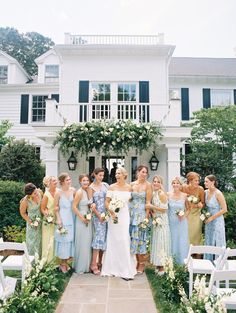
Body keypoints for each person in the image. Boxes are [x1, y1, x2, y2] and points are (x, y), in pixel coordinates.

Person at [101, 167, 136, 280]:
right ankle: (112, 267)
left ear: (124, 175)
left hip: (124, 216)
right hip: (113, 216)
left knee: (124, 238)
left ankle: (125, 268)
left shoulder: (129, 188)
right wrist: (111, 212)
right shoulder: (112, 187)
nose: (117, 175)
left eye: (119, 173)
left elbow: (131, 202)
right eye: (116, 173)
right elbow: (106, 202)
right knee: (114, 239)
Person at [130, 165, 152, 273]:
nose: (144, 174)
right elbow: (128, 199)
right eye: (142, 172)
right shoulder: (132, 184)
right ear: (138, 172)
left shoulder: (148, 185)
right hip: (132, 214)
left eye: (146, 172)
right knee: (133, 238)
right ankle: (135, 261)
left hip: (142, 214)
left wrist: (146, 218)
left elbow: (148, 203)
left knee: (142, 239)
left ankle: (141, 263)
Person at [148, 175, 171, 274]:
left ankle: (162, 266)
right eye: (154, 181)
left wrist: (151, 206)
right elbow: (154, 209)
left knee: (162, 241)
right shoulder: (154, 193)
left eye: (158, 182)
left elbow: (165, 209)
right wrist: (152, 214)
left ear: (161, 183)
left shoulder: (161, 193)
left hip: (163, 220)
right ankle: (158, 265)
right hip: (156, 219)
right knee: (157, 241)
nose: (156, 183)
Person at [89, 168, 109, 275]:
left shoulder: (106, 185)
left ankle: (100, 262)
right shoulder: (91, 188)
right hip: (97, 217)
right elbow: (90, 204)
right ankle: (93, 264)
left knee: (104, 239)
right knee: (98, 238)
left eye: (102, 175)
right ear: (95, 175)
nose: (101, 177)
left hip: (106, 216)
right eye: (99, 175)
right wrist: (99, 215)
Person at [54, 172, 75, 273]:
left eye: (70, 179)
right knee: (63, 241)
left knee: (69, 241)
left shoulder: (73, 191)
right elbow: (55, 208)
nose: (69, 181)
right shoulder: (58, 193)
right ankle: (62, 263)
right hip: (62, 218)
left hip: (72, 218)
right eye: (67, 180)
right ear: (62, 182)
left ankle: (66, 262)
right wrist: (58, 219)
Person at [72, 174, 93, 274]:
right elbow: (74, 207)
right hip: (81, 219)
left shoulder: (87, 191)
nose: (86, 182)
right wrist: (82, 218)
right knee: (82, 242)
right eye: (83, 180)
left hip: (88, 218)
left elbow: (89, 204)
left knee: (87, 242)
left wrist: (91, 208)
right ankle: (80, 266)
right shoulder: (80, 192)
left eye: (87, 180)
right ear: (80, 181)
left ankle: (87, 266)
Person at [204, 175, 227, 260]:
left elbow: (224, 209)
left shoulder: (218, 193)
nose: (205, 183)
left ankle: (220, 264)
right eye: (204, 181)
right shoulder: (205, 192)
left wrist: (212, 218)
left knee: (218, 241)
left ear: (213, 182)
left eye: (206, 181)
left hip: (217, 220)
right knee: (209, 241)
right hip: (208, 221)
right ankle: (208, 263)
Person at [167, 177, 189, 264]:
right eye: (174, 183)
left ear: (180, 185)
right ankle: (171, 262)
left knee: (182, 241)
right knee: (172, 240)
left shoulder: (184, 195)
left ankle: (182, 262)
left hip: (181, 222)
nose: (175, 185)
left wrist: (184, 216)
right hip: (171, 221)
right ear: (172, 184)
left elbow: (188, 209)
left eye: (177, 183)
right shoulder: (168, 194)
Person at [182, 172, 205, 247]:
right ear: (190, 181)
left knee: (196, 235)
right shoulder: (184, 187)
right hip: (186, 214)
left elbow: (203, 203)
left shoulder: (200, 189)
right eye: (196, 180)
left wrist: (200, 205)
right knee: (186, 234)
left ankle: (198, 255)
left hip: (196, 216)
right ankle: (186, 254)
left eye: (198, 181)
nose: (198, 182)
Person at [19, 183, 42, 256]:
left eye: (36, 191)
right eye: (34, 193)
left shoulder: (40, 192)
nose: (36, 194)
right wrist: (31, 222)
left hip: (41, 221)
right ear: (29, 194)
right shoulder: (25, 201)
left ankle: (41, 262)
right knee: (32, 243)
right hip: (32, 223)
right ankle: (31, 263)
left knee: (41, 241)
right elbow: (23, 213)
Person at [40, 176, 58, 263]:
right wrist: (47, 216)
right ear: (49, 183)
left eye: (56, 180)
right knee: (48, 240)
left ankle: (57, 262)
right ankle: (47, 262)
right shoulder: (46, 195)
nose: (56, 182)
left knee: (56, 240)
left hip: (57, 218)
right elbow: (42, 208)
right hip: (49, 220)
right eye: (54, 181)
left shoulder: (59, 192)